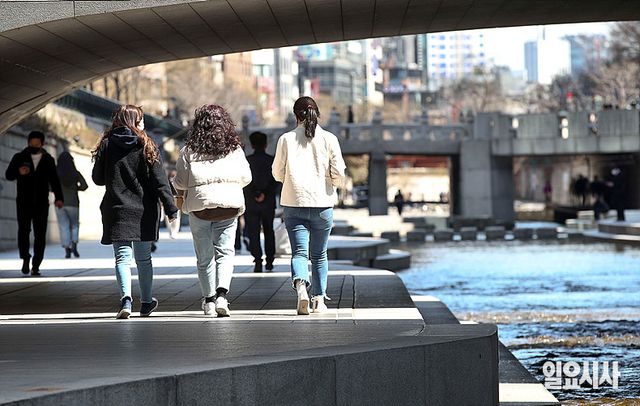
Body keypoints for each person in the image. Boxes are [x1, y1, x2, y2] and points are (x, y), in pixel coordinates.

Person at [92, 105, 178, 319]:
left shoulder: (107, 144)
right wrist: (171, 208)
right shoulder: (146, 144)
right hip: (143, 211)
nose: (143, 123)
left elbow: (98, 179)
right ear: (135, 121)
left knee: (122, 258)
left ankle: (126, 301)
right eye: (141, 119)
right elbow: (160, 181)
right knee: (143, 259)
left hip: (117, 209)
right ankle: (146, 302)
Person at [174, 104, 251, 317]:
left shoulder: (188, 151)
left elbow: (180, 182)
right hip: (228, 207)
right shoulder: (235, 150)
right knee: (225, 252)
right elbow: (246, 178)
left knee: (204, 256)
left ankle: (208, 301)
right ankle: (222, 297)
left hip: (200, 208)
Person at [273, 96, 346, 315]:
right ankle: (319, 300)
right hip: (323, 203)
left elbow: (276, 172)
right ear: (318, 113)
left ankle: (301, 289)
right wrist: (332, 184)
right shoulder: (329, 139)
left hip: (294, 202)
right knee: (320, 255)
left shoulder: (286, 139)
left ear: (296, 115)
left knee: (299, 253)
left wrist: (289, 181)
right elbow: (339, 172)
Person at [5, 131, 64, 276]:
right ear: (28, 143)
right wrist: (19, 172)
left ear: (42, 144)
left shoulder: (48, 160)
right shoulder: (19, 157)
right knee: (23, 231)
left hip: (41, 203)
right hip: (23, 202)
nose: (34, 146)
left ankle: (36, 264)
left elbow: (54, 180)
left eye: (37, 144)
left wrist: (59, 198)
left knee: (40, 234)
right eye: (32, 143)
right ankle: (25, 258)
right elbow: (8, 175)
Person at [244, 131, 279, 273]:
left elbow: (244, 180)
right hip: (268, 202)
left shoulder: (246, 161)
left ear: (252, 145)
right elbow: (276, 180)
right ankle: (270, 260)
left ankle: (258, 260)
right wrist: (265, 193)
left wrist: (255, 192)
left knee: (253, 231)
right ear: (266, 144)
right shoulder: (272, 161)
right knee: (269, 230)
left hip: (251, 202)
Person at [56, 150, 88, 258]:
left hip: (60, 203)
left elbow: (49, 187)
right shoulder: (75, 173)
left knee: (63, 226)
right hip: (73, 203)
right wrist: (75, 189)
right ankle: (74, 245)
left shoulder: (56, 174)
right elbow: (84, 186)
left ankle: (67, 249)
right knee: (74, 225)